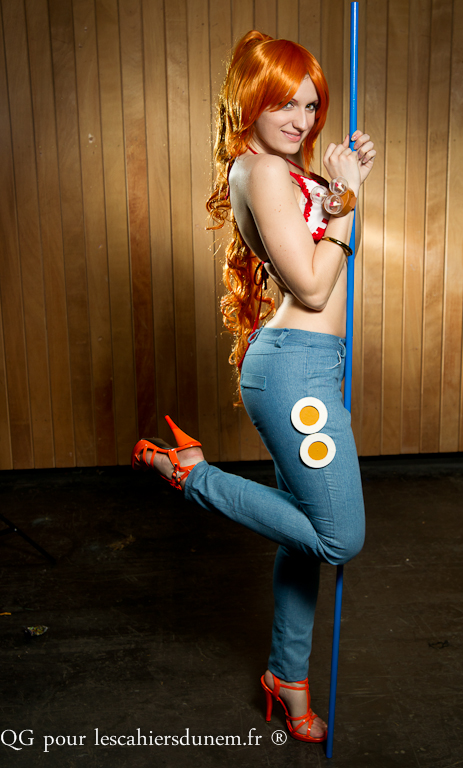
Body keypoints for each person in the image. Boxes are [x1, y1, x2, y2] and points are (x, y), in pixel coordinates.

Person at [132, 30, 376, 744]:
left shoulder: (285, 172)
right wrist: (346, 204)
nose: (301, 119)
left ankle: (286, 679)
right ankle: (192, 474)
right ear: (250, 102)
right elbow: (312, 286)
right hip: (297, 369)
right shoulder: (262, 172)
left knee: (302, 543)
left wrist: (343, 186)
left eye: (311, 105)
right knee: (339, 538)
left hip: (309, 363)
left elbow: (322, 254)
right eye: (283, 104)